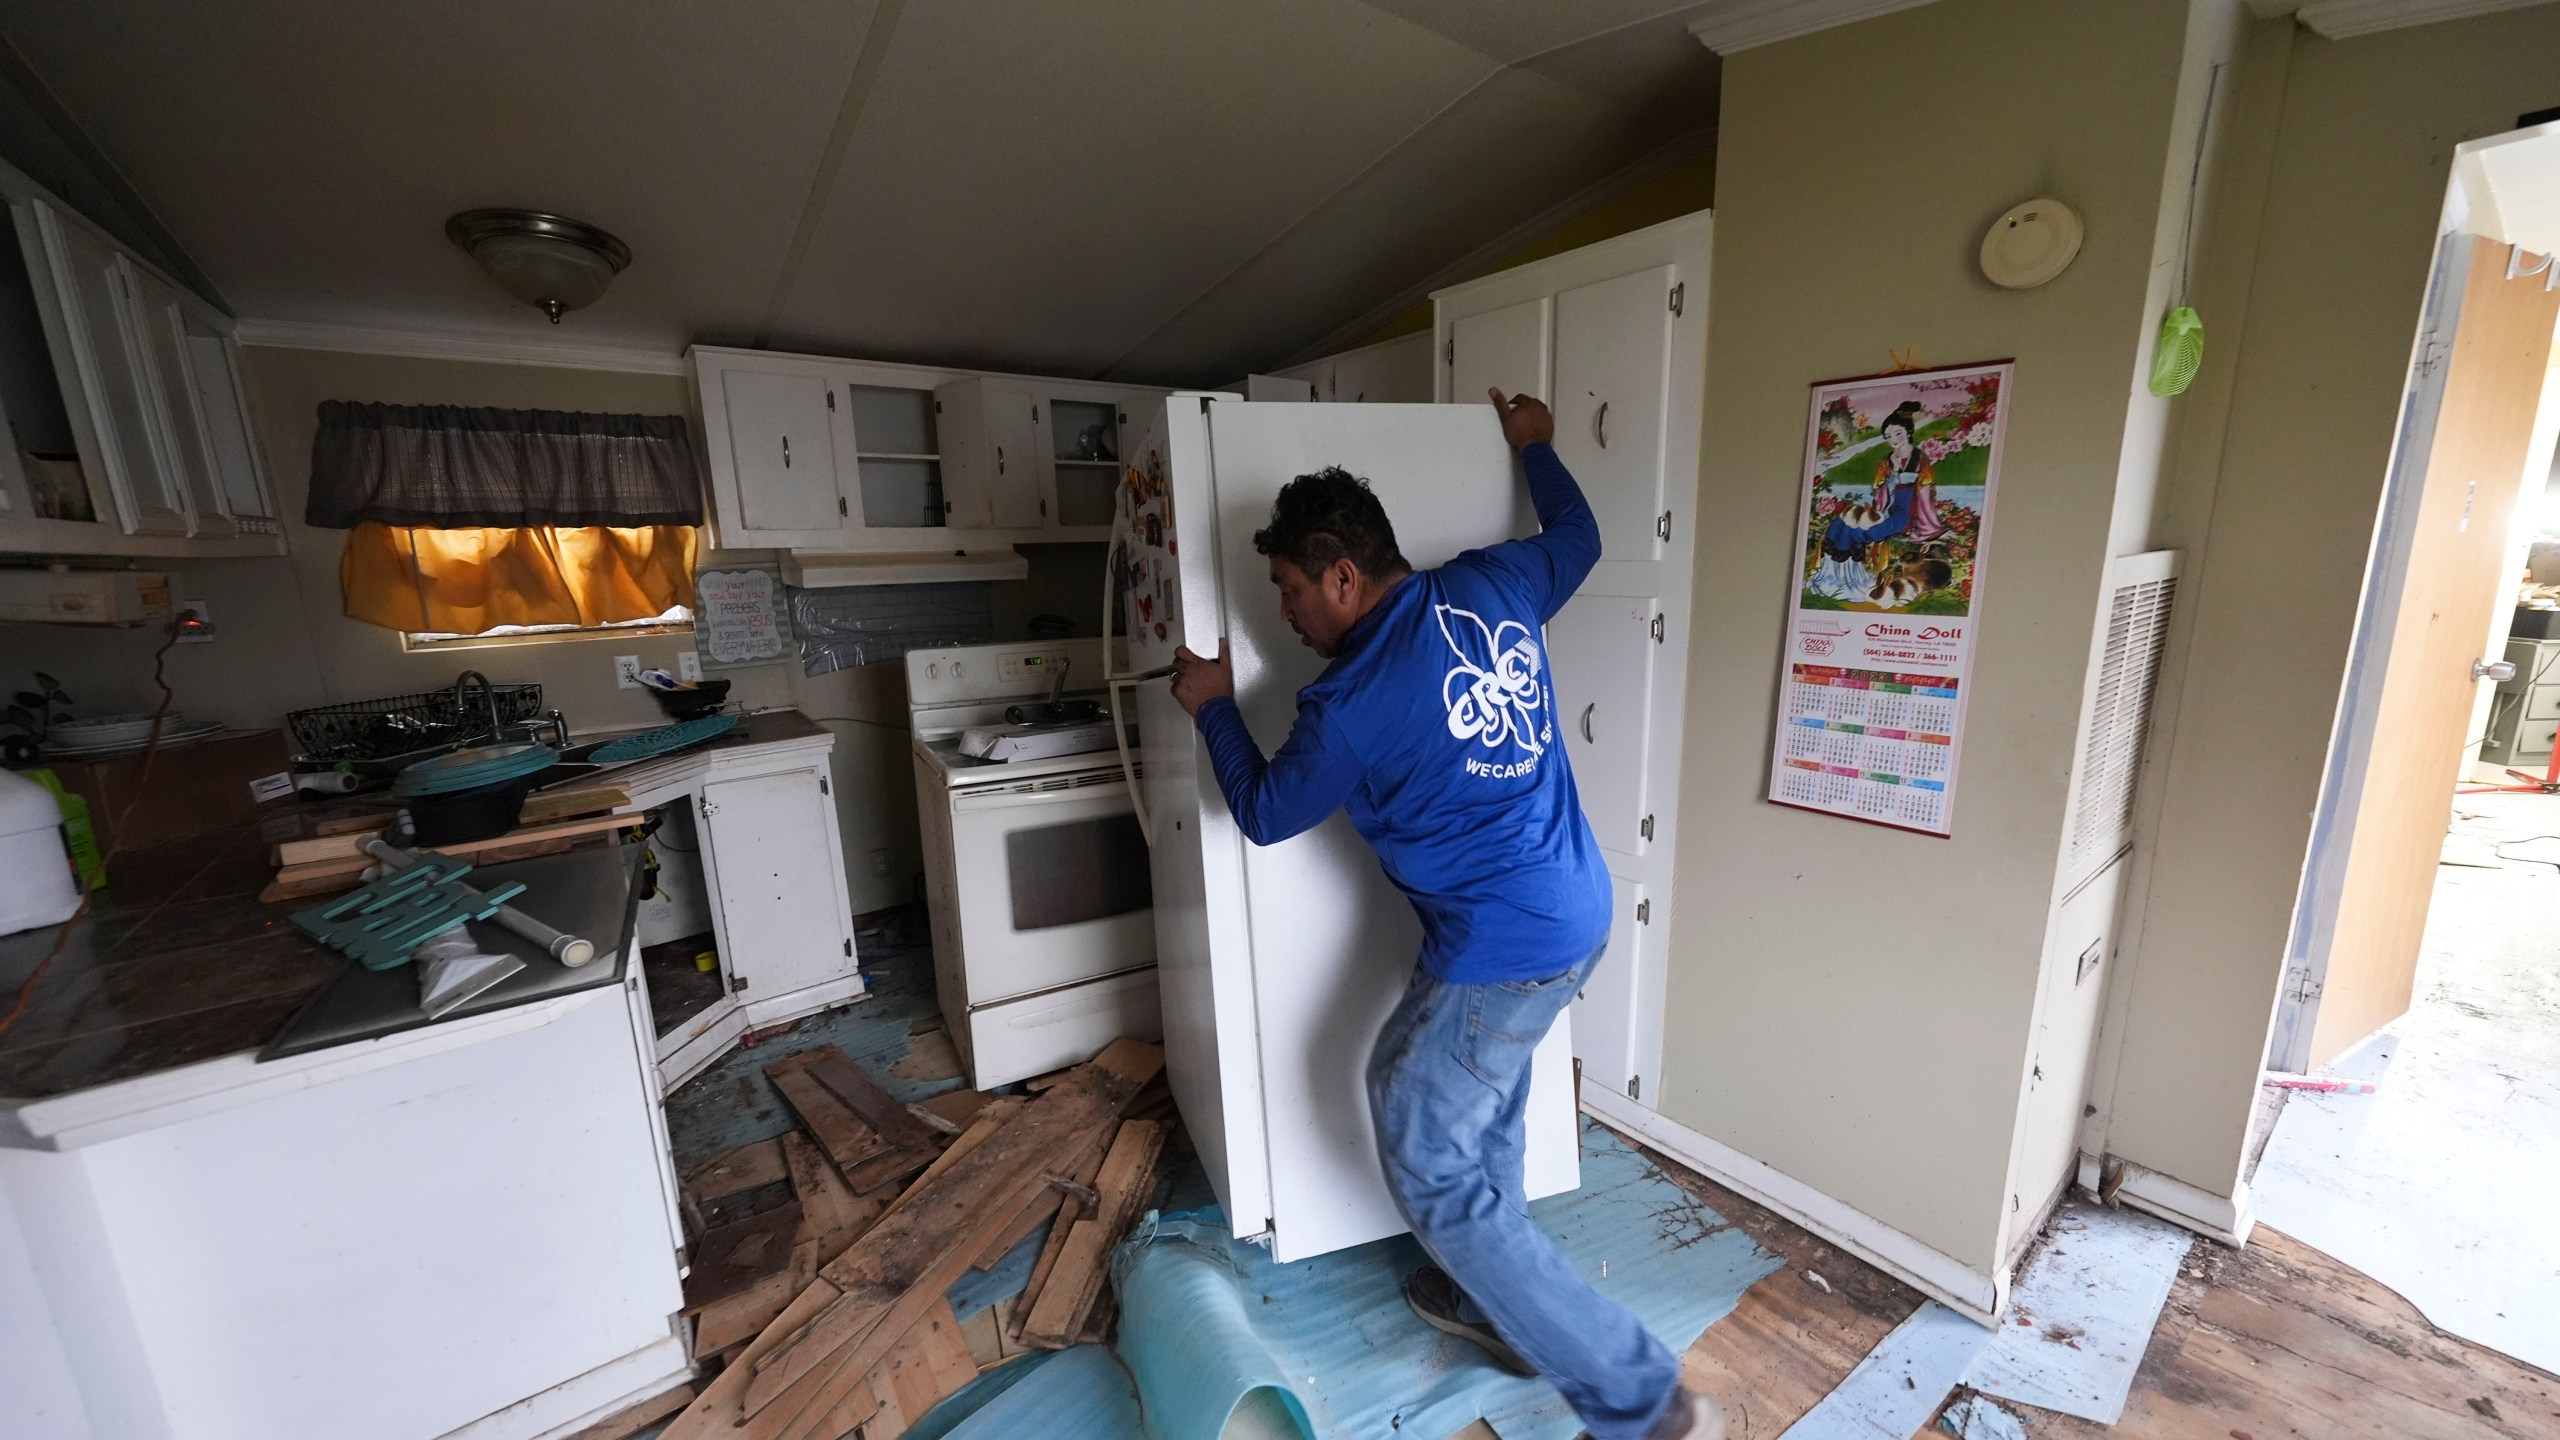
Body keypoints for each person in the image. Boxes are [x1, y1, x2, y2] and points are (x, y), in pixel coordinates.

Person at [1168, 390, 1726, 1440]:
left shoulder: (1347, 706)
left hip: (1503, 946)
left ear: (1342, 573)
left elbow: (1263, 812)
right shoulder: (1492, 583)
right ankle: (1499, 1303)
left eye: (1289, 589)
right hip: (1574, 906)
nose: (1283, 612)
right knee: (1485, 1103)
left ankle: (1640, 1398)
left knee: (1427, 1151)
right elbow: (1580, 536)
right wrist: (1537, 449)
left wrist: (1213, 708)